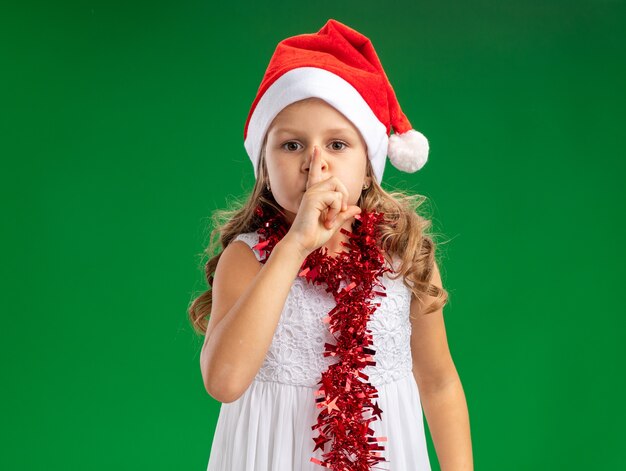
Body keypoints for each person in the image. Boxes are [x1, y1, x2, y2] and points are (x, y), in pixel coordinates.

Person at [188, 18, 473, 471]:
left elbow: (438, 382)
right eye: (292, 145)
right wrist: (294, 246)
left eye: (338, 144)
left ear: (369, 167)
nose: (314, 164)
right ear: (264, 165)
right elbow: (224, 382)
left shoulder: (403, 258)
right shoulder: (248, 259)